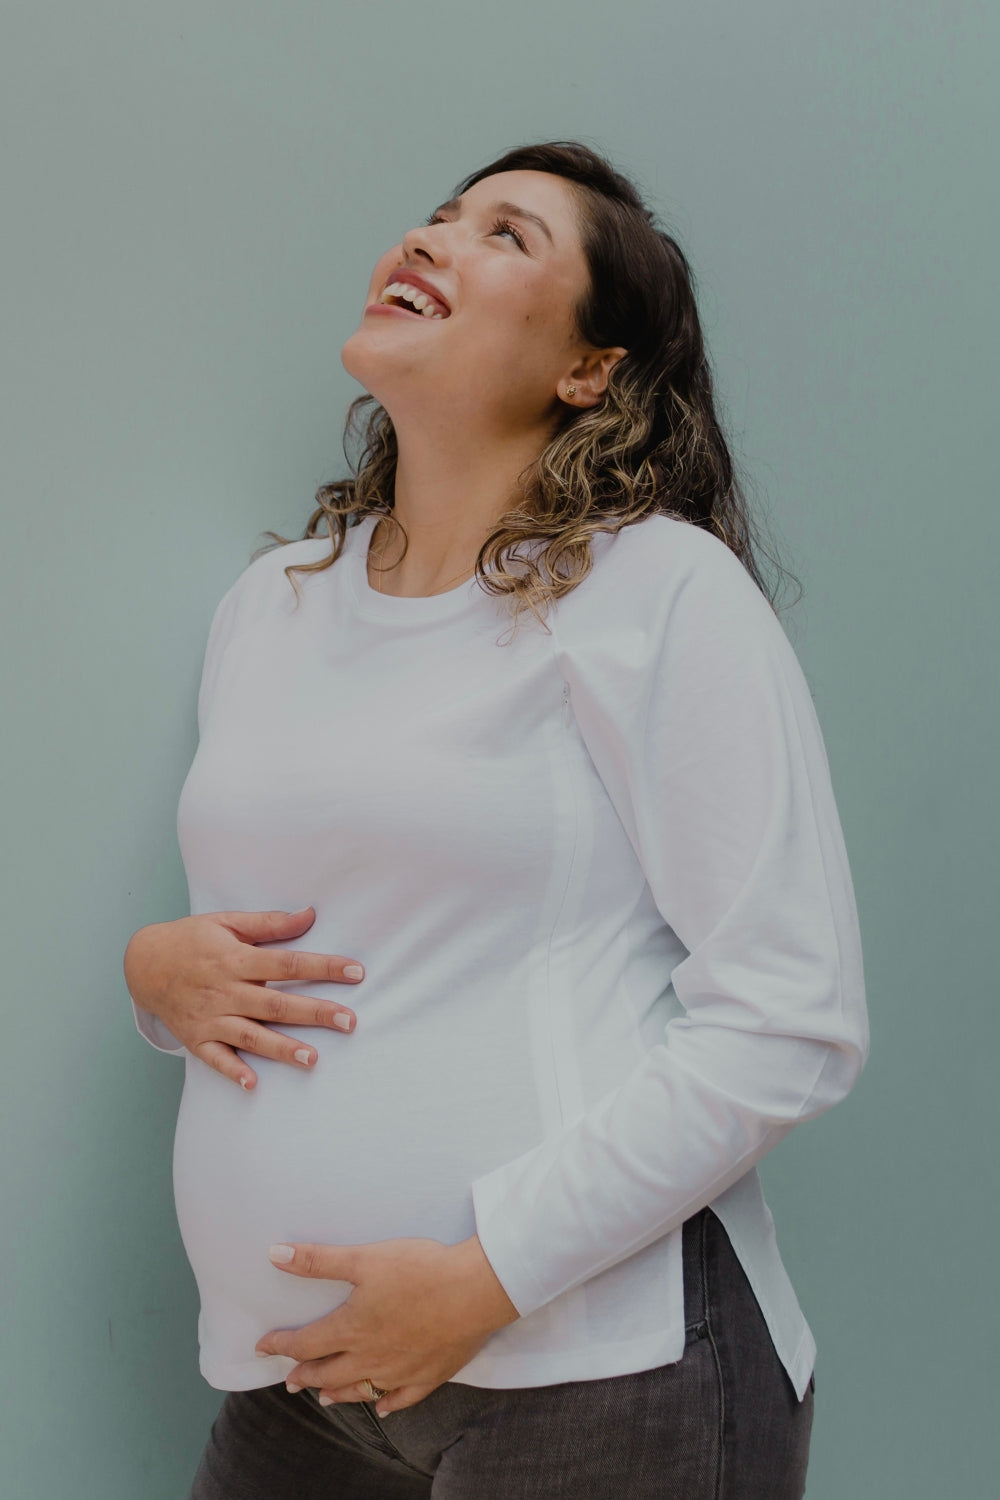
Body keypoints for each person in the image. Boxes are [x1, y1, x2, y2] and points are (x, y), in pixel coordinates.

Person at [123, 140, 868, 1500]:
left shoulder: (660, 596)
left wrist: (486, 1275)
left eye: (507, 235)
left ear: (591, 369)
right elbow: (333, 938)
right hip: (299, 1376)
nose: (436, 237)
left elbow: (791, 1017)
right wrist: (155, 979)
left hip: (598, 1376)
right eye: (440, 215)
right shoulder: (276, 600)